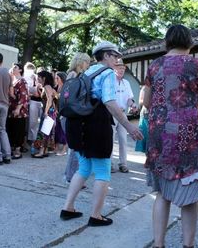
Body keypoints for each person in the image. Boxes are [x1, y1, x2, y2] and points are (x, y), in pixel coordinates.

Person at [142, 25, 198, 247]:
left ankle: (158, 244)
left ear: (167, 42)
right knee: (189, 197)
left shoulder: (154, 65)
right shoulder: (196, 64)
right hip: (186, 137)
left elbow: (147, 102)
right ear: (189, 42)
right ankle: (187, 245)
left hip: (159, 136)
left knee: (162, 193)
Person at [60, 41, 143, 227]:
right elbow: (110, 102)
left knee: (83, 168)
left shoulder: (87, 72)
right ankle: (96, 215)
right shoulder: (107, 74)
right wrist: (129, 126)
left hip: (81, 123)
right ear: (105, 55)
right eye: (115, 55)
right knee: (103, 171)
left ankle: (68, 208)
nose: (117, 59)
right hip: (97, 124)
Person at [64, 52, 90, 183]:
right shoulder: (73, 75)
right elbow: (69, 97)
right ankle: (71, 176)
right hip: (74, 116)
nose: (88, 64)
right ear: (81, 62)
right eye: (87, 62)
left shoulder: (77, 75)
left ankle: (72, 174)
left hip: (75, 115)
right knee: (75, 148)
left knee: (76, 147)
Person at [111, 58, 138, 173]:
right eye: (119, 67)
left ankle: (123, 164)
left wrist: (133, 104)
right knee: (110, 140)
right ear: (114, 68)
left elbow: (129, 99)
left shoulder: (126, 83)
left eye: (123, 68)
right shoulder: (110, 82)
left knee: (123, 140)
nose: (121, 70)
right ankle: (110, 164)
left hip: (123, 115)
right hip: (111, 114)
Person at [31, 70, 57, 158]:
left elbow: (49, 99)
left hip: (48, 111)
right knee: (47, 132)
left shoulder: (47, 86)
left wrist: (46, 111)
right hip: (51, 111)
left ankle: (41, 152)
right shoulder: (48, 86)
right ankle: (44, 151)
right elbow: (53, 98)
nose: (37, 78)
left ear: (44, 78)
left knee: (43, 131)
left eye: (39, 77)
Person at [7, 63, 29, 159]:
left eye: (15, 67)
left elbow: (24, 96)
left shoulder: (22, 81)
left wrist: (18, 108)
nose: (13, 68)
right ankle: (11, 148)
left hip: (19, 111)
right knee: (11, 129)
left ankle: (18, 150)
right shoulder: (12, 81)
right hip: (10, 110)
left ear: (20, 70)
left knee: (18, 130)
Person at [24, 62, 42, 151]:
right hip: (32, 101)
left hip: (35, 101)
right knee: (32, 123)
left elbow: (39, 93)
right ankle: (31, 141)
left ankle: (34, 142)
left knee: (33, 123)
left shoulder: (35, 77)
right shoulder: (25, 78)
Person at [54, 71, 67, 156]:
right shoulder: (55, 87)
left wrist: (57, 95)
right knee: (57, 129)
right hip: (57, 111)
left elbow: (66, 98)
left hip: (64, 111)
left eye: (57, 78)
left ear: (61, 79)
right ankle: (57, 147)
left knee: (64, 130)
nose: (55, 79)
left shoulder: (66, 88)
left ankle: (65, 149)